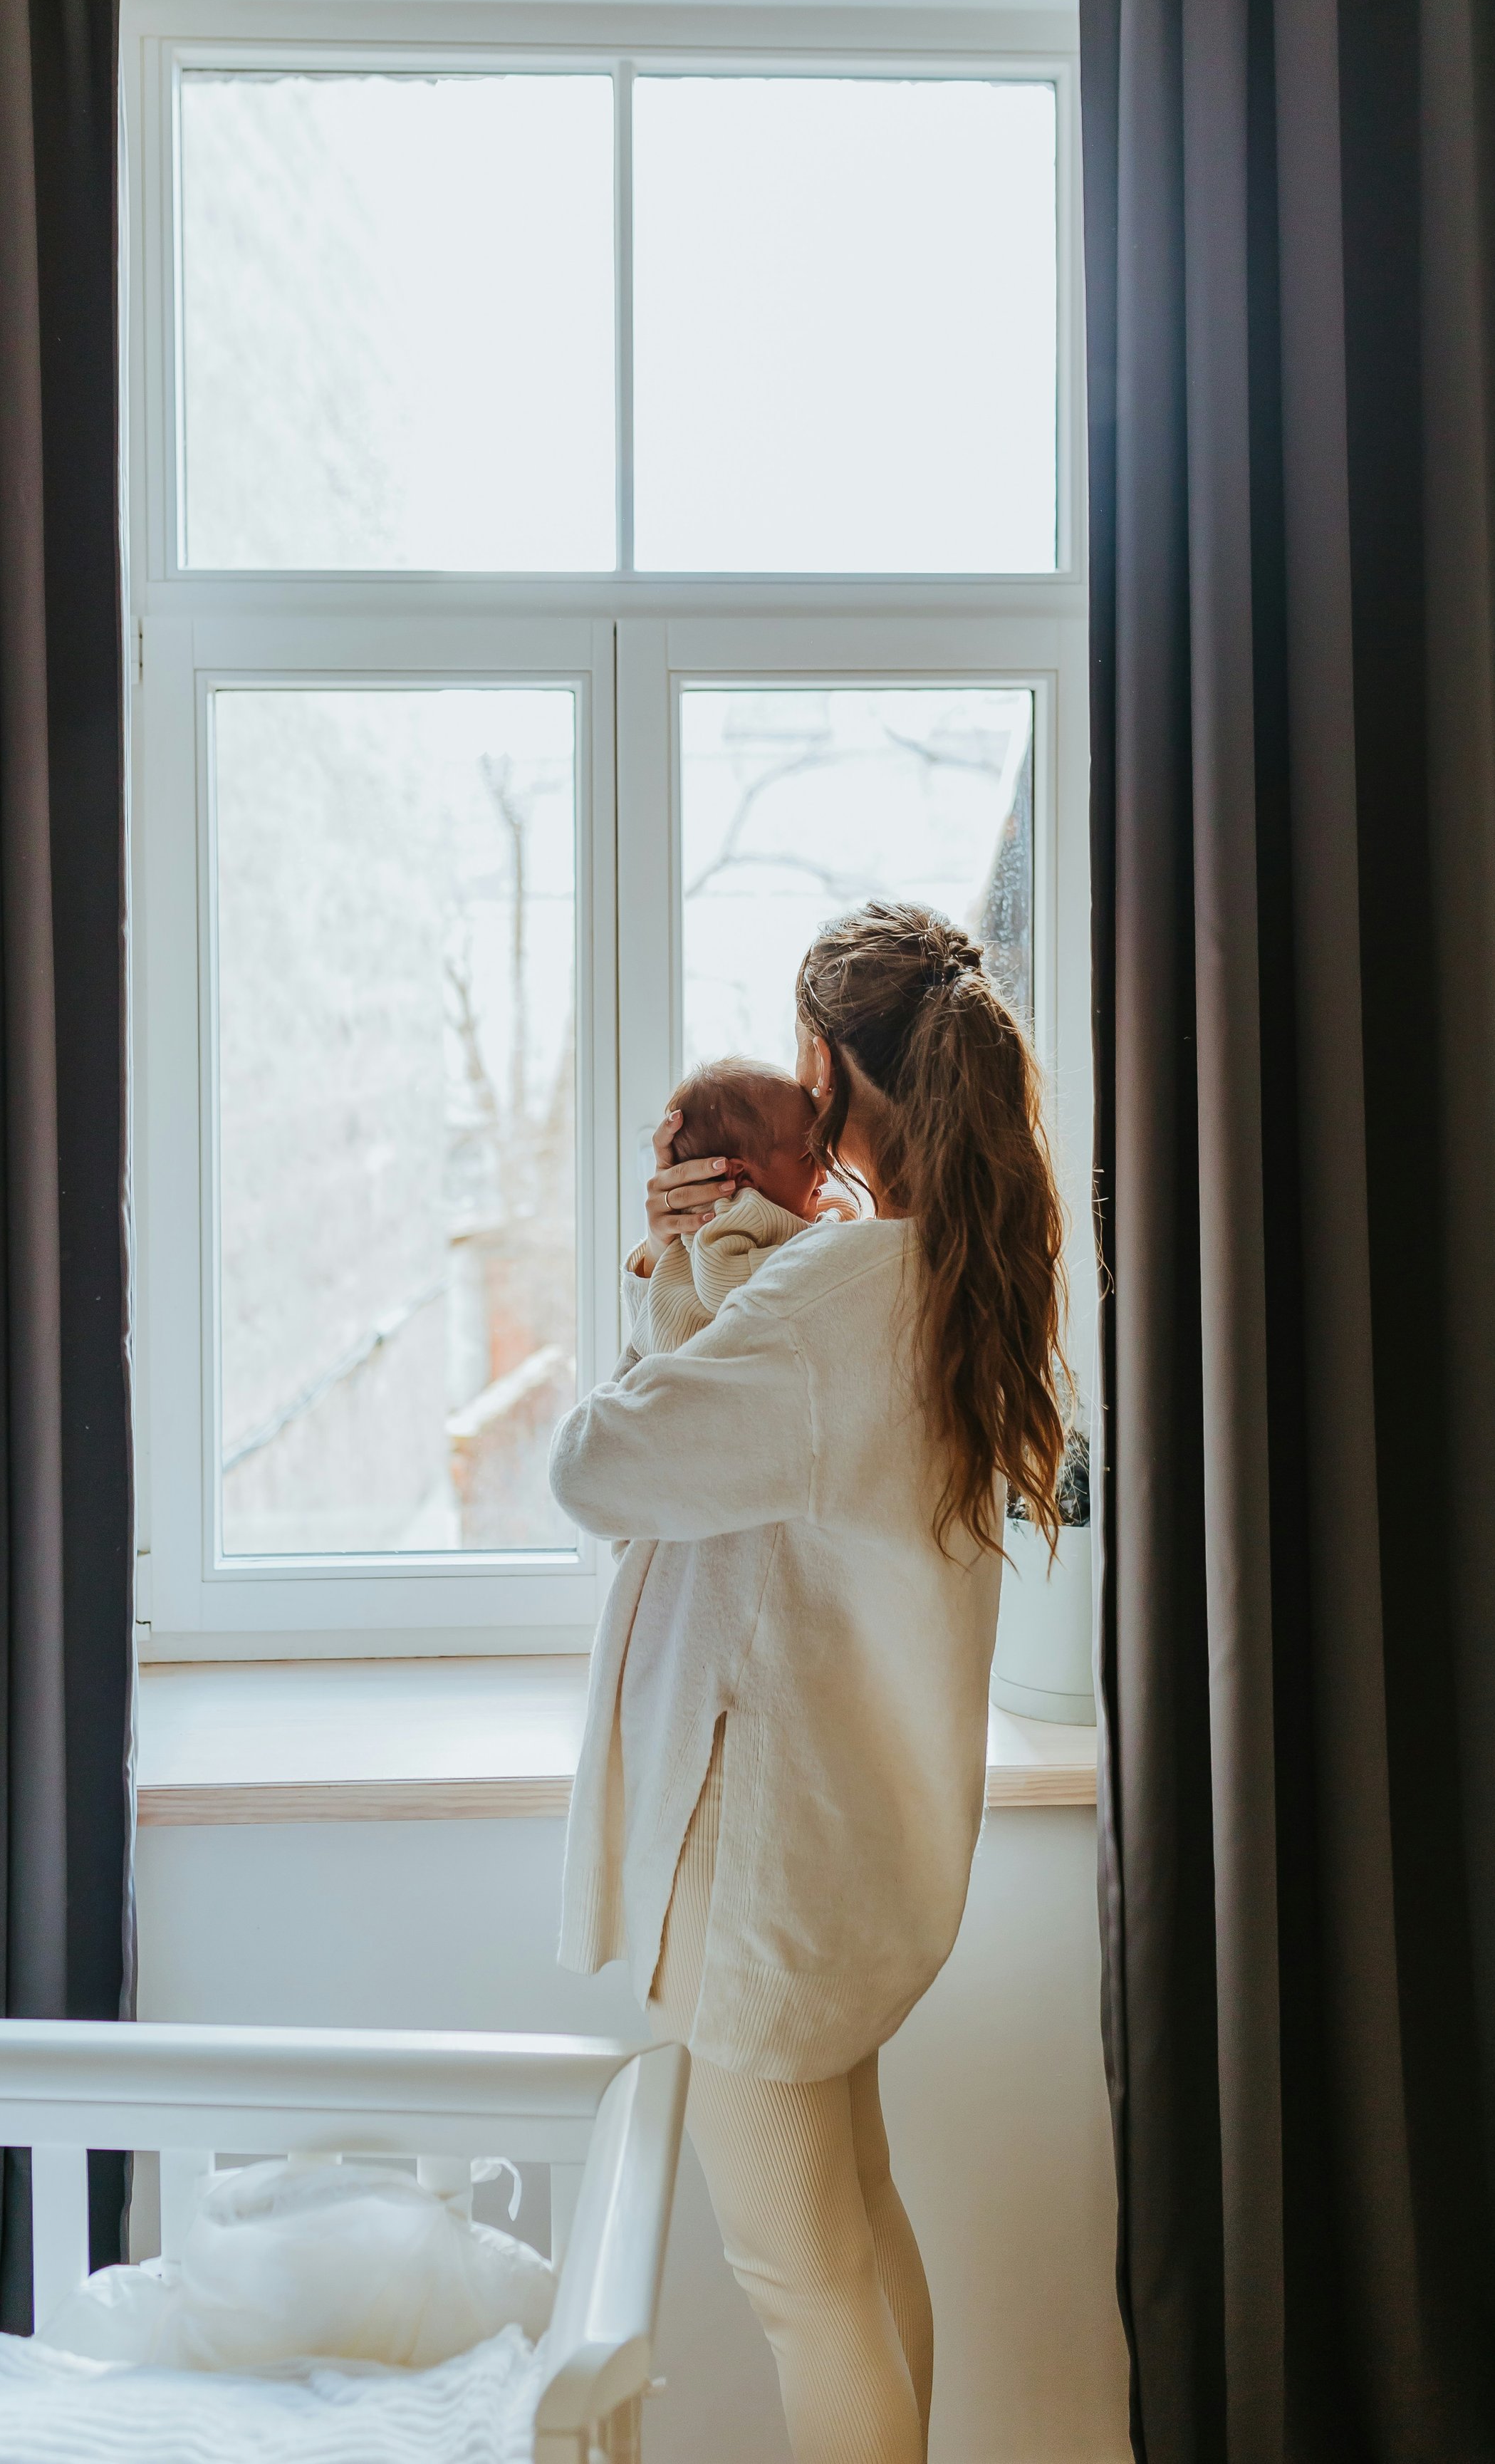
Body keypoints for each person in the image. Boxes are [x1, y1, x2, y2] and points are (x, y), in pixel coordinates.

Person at [552, 901, 1067, 2464]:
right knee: (851, 2235)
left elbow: (600, 1466)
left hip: (762, 1858)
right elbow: (760, 1449)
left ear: (832, 1077)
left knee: (800, 2274)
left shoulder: (824, 1301)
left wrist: (669, 1266)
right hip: (848, 1842)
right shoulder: (928, 1283)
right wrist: (699, 1270)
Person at [628, 1057, 849, 1356]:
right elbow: (720, 1279)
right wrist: (829, 1233)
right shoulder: (739, 1211)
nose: (827, 1165)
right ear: (743, 1176)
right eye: (809, 1155)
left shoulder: (759, 1203)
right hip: (690, 1366)